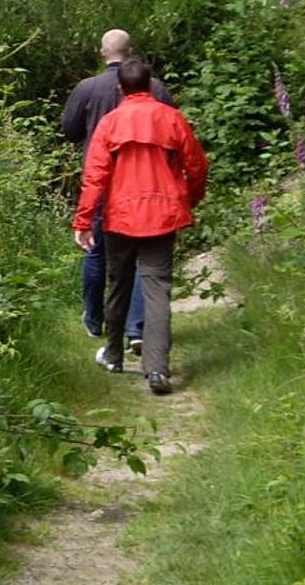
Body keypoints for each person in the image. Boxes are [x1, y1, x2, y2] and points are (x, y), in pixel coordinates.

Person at [72, 58, 207, 396]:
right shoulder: (171, 118)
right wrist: (188, 199)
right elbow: (196, 164)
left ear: (120, 87)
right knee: (157, 289)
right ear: (149, 85)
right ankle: (157, 369)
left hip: (120, 216)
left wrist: (84, 220)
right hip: (162, 215)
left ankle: (114, 355)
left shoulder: (110, 123)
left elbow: (95, 176)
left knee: (118, 285)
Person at [60, 30, 173, 343]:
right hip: (145, 183)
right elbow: (172, 128)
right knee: (140, 255)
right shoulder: (156, 88)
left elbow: (68, 130)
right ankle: (136, 329)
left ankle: (95, 320)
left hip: (100, 181)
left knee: (95, 251)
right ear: (132, 51)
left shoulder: (87, 88)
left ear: (101, 52)